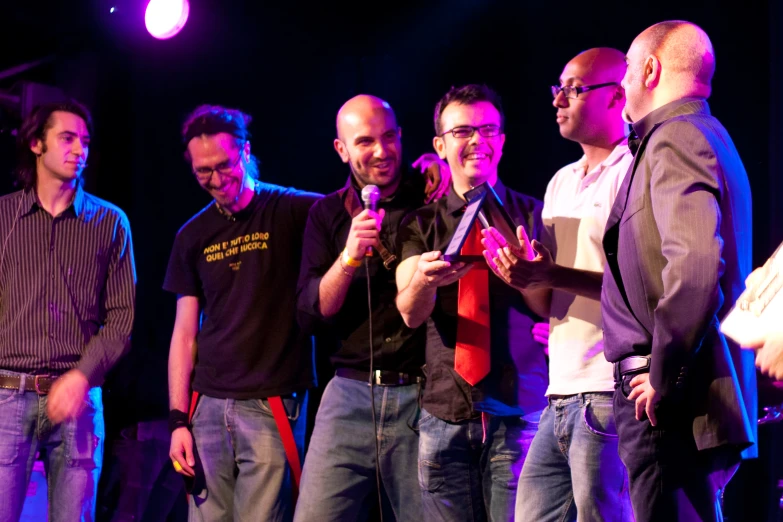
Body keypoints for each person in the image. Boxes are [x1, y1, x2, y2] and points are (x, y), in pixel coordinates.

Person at [601, 21, 757, 521]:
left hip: (670, 403)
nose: (622, 83)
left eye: (626, 68)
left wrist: (662, 377)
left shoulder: (677, 138)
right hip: (677, 397)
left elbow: (694, 270)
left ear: (650, 69)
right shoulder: (696, 135)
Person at [486, 48, 633, 521]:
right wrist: (521, 274)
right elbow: (544, 301)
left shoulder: (634, 170)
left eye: (573, 89)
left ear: (616, 97)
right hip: (559, 390)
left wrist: (550, 273)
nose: (558, 100)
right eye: (558, 89)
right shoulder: (561, 182)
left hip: (609, 389)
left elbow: (638, 283)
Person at [396, 84, 549, 521]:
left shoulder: (533, 213)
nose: (476, 141)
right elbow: (409, 311)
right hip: (445, 411)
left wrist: (521, 272)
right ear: (440, 145)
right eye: (462, 131)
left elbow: (545, 307)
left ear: (502, 140)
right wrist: (425, 281)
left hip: (518, 409)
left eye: (487, 130)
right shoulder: (419, 223)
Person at [294, 94, 448, 521]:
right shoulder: (327, 214)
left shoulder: (433, 194)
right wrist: (347, 258)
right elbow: (310, 313)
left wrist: (445, 167)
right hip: (348, 393)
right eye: (365, 142)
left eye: (389, 137)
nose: (381, 151)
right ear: (342, 149)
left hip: (421, 395)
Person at [164, 105, 320, 521]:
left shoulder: (293, 210)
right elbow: (184, 335)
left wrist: (423, 174)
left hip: (270, 404)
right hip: (207, 405)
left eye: (224, 166)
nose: (216, 181)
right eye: (202, 173)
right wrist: (179, 420)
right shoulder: (192, 235)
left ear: (246, 152)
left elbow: (357, 203)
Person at [0, 101, 136, 522]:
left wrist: (81, 376)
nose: (80, 149)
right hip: (8, 394)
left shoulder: (111, 222)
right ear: (37, 143)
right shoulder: (4, 217)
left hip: (79, 401)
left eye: (86, 141)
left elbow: (121, 318)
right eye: (67, 138)